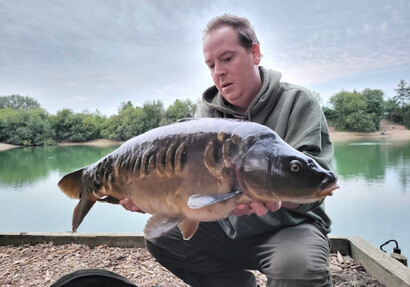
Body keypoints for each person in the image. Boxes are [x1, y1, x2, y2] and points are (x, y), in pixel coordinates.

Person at [121, 14, 335, 287]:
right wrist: (152, 196)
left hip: (290, 228)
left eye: (227, 58)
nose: (218, 71)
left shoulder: (297, 101)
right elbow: (190, 191)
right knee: (161, 237)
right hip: (224, 224)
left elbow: (316, 184)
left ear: (254, 53)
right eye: (211, 64)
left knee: (299, 268)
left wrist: (270, 195)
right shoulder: (206, 115)